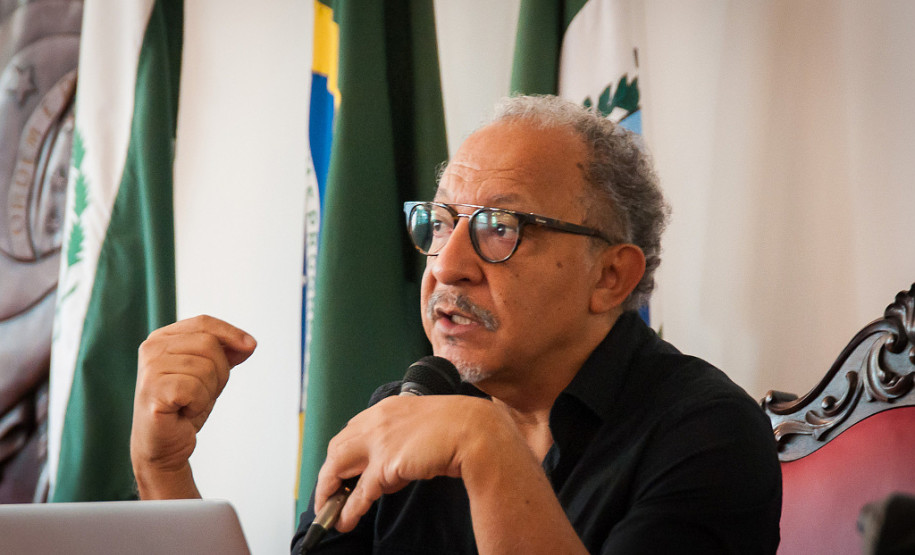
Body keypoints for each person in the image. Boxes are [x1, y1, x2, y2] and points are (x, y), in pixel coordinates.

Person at [130, 95, 781, 554]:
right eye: (441, 223)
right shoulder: (406, 411)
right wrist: (165, 471)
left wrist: (488, 451)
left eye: (501, 227)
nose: (447, 264)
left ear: (610, 275)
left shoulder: (709, 433)